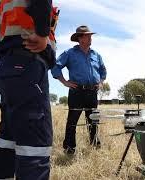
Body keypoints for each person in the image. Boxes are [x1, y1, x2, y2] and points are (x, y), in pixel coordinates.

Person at [0, 0, 58, 179]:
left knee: (7, 137)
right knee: (35, 143)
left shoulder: (5, 2)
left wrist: (5, 57)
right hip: (29, 66)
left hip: (9, 69)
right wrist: (42, 34)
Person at [51, 25, 107, 154]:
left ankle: (94, 143)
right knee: (72, 121)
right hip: (77, 92)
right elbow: (55, 67)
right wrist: (65, 82)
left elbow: (103, 70)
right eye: (87, 35)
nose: (90, 38)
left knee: (93, 119)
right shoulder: (70, 53)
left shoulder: (96, 55)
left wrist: (101, 82)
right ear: (80, 38)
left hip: (92, 92)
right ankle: (69, 148)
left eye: (90, 35)